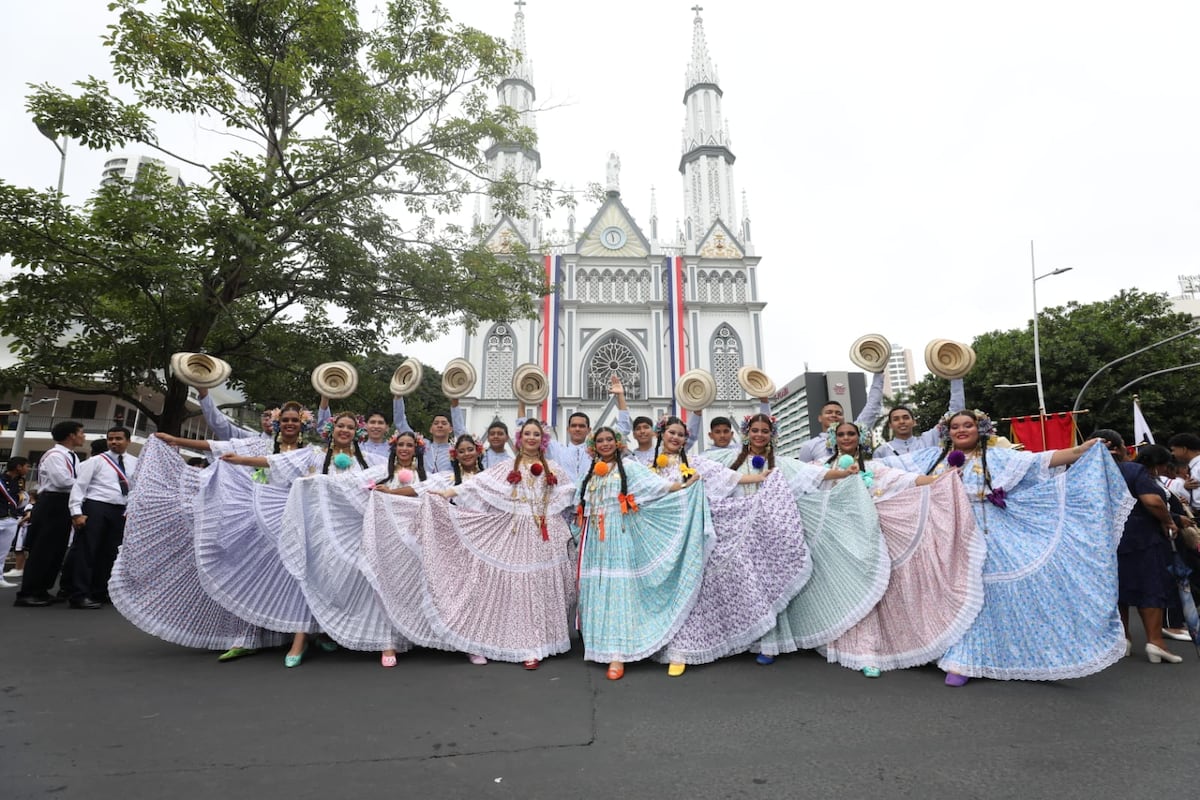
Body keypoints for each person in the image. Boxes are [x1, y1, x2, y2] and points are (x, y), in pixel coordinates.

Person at [879, 410, 1130, 686]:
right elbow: (884, 468)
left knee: (987, 592)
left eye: (968, 425)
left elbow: (1041, 460)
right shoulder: (930, 458)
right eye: (955, 427)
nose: (961, 430)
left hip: (989, 532)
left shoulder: (998, 456)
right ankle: (945, 650)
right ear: (947, 432)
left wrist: (1080, 450)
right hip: (945, 533)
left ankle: (966, 659)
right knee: (949, 591)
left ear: (980, 429)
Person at [650, 416, 840, 675]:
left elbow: (731, 478)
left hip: (729, 529)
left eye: (680, 434)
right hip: (664, 537)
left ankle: (693, 648)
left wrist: (765, 480)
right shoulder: (649, 467)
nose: (676, 438)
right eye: (671, 433)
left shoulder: (695, 462)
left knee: (745, 582)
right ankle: (657, 641)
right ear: (661, 434)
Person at [706, 415, 891, 664]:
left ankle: (769, 645)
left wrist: (844, 473)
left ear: (772, 434)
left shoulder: (782, 463)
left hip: (770, 535)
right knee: (746, 588)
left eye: (765, 431)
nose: (760, 435)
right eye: (755, 430)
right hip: (738, 535)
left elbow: (814, 474)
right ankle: (742, 640)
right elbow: (697, 469)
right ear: (746, 432)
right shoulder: (727, 459)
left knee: (771, 588)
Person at [401, 420, 578, 668]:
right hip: (517, 532)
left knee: (542, 585)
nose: (531, 438)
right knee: (520, 587)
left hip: (546, 533)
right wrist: (446, 494)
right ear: (519, 438)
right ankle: (526, 645)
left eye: (536, 434)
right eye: (527, 433)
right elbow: (477, 484)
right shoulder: (507, 466)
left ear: (543, 439)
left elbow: (568, 494)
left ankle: (543, 641)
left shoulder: (555, 468)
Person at [216, 411, 386, 666]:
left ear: (357, 433)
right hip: (316, 528)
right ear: (332, 428)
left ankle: (331, 630)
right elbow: (277, 462)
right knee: (309, 578)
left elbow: (393, 470)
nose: (345, 431)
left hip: (350, 531)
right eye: (341, 425)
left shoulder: (369, 459)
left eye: (350, 427)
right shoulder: (314, 455)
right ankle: (300, 639)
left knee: (345, 580)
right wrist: (240, 459)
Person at [818, 421, 984, 678]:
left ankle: (870, 650)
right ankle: (855, 647)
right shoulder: (821, 467)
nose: (846, 437)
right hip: (837, 540)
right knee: (849, 593)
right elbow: (801, 481)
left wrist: (942, 479)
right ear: (834, 438)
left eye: (851, 433)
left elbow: (907, 480)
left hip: (869, 535)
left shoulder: (874, 467)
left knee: (875, 591)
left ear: (860, 437)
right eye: (841, 434)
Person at [109, 436, 288, 656]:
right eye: (283, 419)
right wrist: (176, 440)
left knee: (283, 581)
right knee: (246, 578)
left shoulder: (307, 451)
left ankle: (291, 633)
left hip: (286, 522)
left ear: (303, 425)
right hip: (251, 521)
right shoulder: (257, 445)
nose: (288, 424)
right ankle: (245, 636)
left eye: (294, 420)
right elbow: (215, 445)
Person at [574, 426, 709, 680]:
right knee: (597, 591)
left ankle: (618, 654)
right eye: (600, 441)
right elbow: (577, 506)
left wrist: (685, 486)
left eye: (609, 440)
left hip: (620, 536)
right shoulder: (589, 473)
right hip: (593, 542)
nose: (605, 444)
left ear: (617, 443)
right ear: (594, 446)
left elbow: (657, 488)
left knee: (618, 592)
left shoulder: (631, 468)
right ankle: (598, 647)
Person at [1094, 433, 1183, 664]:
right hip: (1140, 537)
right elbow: (1152, 501)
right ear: (1121, 448)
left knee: (1118, 591)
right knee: (1150, 587)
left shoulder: (1085, 475)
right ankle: (1155, 642)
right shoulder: (1132, 471)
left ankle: (1124, 640)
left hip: (1103, 540)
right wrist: (1168, 520)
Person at [62, 427, 138, 609]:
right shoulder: (95, 461)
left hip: (121, 510)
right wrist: (76, 513)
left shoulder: (135, 462)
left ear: (128, 441)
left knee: (110, 553)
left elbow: (136, 488)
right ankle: (79, 595)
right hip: (96, 506)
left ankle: (100, 591)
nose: (114, 442)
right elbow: (79, 487)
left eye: (118, 439)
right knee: (87, 551)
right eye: (110, 439)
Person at [14, 420, 86, 608]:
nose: (83, 436)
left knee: (56, 549)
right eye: (80, 433)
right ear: (71, 435)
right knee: (43, 549)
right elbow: (62, 481)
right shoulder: (55, 455)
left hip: (63, 503)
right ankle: (27, 592)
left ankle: (42, 589)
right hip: (52, 501)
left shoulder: (72, 456)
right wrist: (86, 483)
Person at [795, 371, 885, 463]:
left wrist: (878, 373)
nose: (834, 415)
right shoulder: (809, 446)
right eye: (829, 412)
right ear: (820, 418)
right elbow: (804, 474)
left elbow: (873, 406)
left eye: (838, 413)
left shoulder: (855, 433)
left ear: (843, 418)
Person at [873, 379, 966, 459]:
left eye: (906, 418)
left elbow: (955, 415)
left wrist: (956, 377)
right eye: (896, 419)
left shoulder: (929, 439)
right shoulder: (882, 452)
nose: (901, 422)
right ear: (890, 425)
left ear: (914, 422)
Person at [198, 386, 275, 439]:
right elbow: (221, 425)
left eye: (272, 416)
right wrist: (204, 394)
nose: (267, 419)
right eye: (265, 415)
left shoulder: (286, 449)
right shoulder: (250, 438)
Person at [0, 458, 31, 589]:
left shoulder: (20, 481)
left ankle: (0, 577)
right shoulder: (1, 479)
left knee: (3, 552)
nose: (28, 469)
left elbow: (20, 498)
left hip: (11, 518)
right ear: (18, 467)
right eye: (26, 466)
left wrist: (21, 513)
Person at [612, 376, 656, 465]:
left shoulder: (662, 454)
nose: (642, 431)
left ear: (653, 432)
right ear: (634, 435)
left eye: (646, 427)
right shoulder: (629, 458)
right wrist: (620, 395)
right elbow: (622, 428)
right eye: (638, 429)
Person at [1166, 433, 1200, 514]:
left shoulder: (1198, 467)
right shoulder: (1194, 467)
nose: (1172, 454)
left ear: (1184, 449)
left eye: (1174, 450)